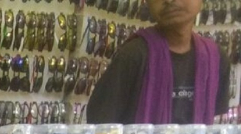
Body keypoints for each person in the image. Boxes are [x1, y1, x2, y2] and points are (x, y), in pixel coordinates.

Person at [87, 0, 230, 125]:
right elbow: (100, 123)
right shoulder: (134, 55)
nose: (168, 0)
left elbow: (214, 124)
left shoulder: (215, 58)